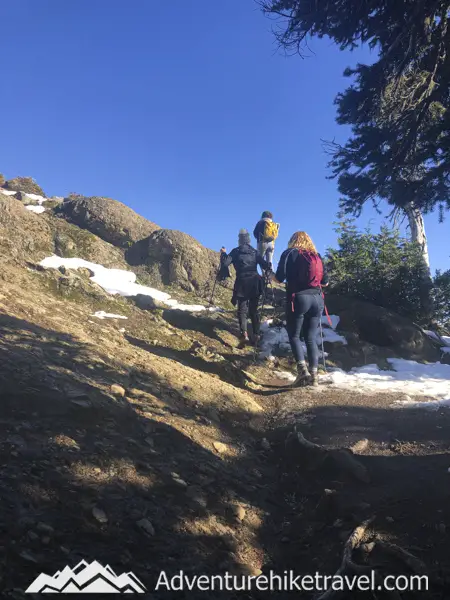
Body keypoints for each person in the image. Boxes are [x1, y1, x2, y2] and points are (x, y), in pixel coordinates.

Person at [273, 231, 329, 387]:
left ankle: (302, 372)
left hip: (298, 299)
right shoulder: (316, 255)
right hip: (317, 300)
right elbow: (325, 282)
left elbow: (279, 278)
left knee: (295, 336)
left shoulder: (289, 253)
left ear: (292, 241)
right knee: (311, 338)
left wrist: (271, 277)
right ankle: (314, 376)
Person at [221, 229, 270, 347]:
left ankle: (244, 334)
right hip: (254, 282)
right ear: (248, 240)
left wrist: (223, 254)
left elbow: (225, 264)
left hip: (242, 282)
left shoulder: (235, 252)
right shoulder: (254, 251)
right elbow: (265, 265)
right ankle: (257, 335)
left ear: (239, 240)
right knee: (253, 310)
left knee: (242, 309)